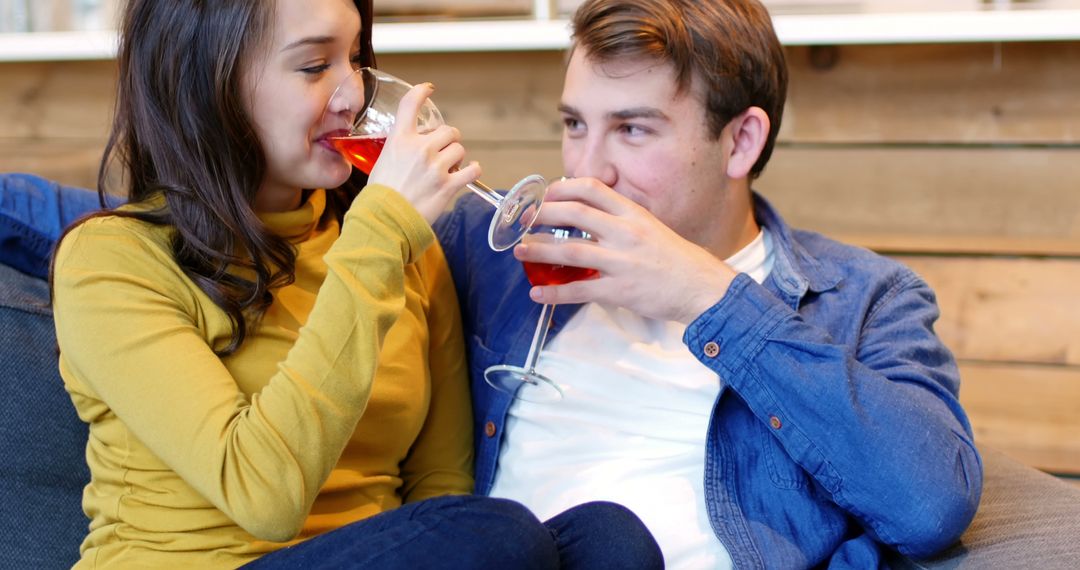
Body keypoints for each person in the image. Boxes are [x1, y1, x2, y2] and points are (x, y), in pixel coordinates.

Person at [41, 0, 662, 568]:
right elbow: (263, 494)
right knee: (498, 534)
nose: (354, 95)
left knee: (610, 541)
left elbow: (439, 487)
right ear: (207, 82)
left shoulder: (401, 250)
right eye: (315, 66)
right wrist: (381, 232)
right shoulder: (110, 262)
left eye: (356, 58)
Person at [435, 0, 983, 567]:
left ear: (741, 141)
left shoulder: (865, 300)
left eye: (632, 129)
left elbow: (931, 507)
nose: (587, 170)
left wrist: (710, 298)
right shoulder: (494, 247)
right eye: (575, 124)